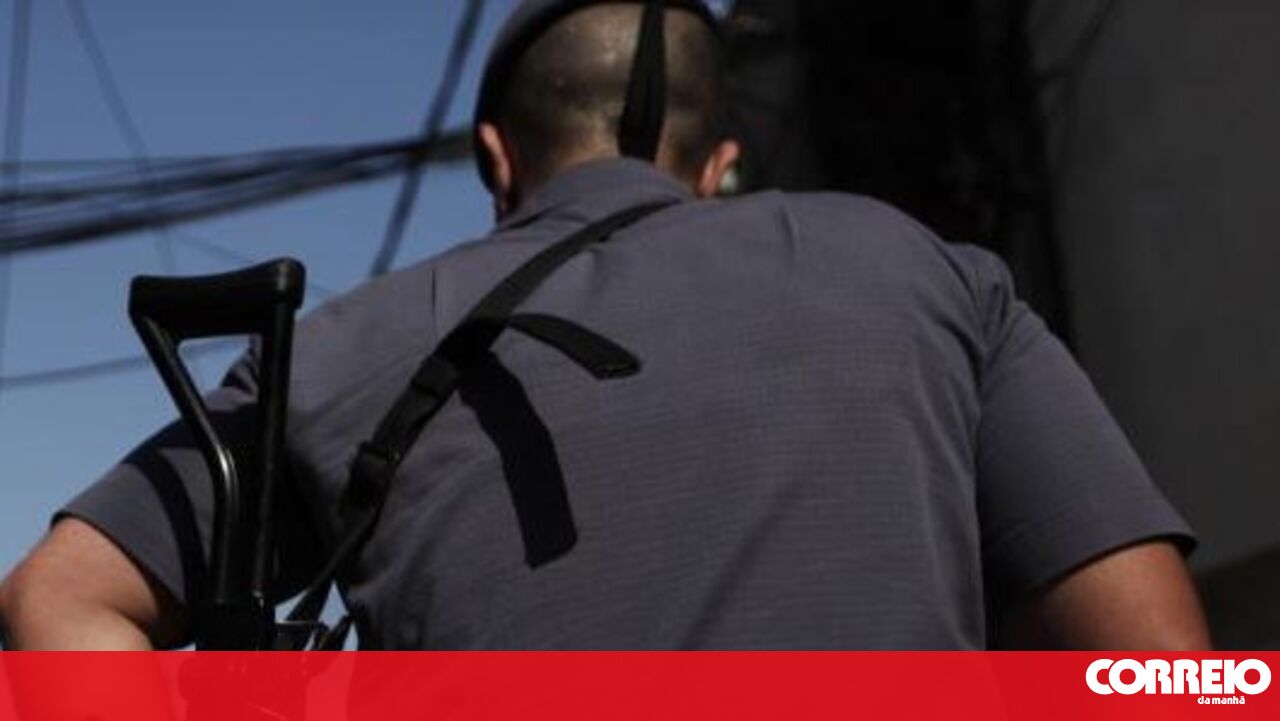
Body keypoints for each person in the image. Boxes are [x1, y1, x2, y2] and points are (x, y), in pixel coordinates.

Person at [0, 0, 1209, 650]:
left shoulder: (342, 348)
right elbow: (1160, 675)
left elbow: (56, 601)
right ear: (721, 163)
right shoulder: (932, 274)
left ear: (493, 159)